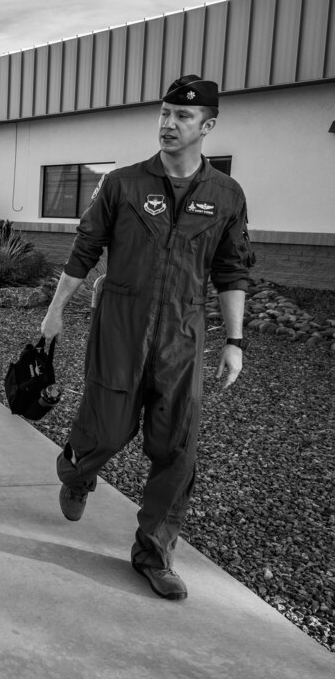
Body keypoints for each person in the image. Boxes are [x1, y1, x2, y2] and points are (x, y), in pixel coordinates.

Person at [40, 75, 255, 601]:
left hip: (183, 333)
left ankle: (154, 553)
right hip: (120, 326)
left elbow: (232, 270)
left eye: (182, 116)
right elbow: (84, 251)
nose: (168, 123)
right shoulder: (123, 184)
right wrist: (55, 312)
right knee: (106, 429)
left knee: (176, 447)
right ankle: (77, 470)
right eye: (164, 113)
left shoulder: (226, 195)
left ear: (207, 125)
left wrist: (235, 341)